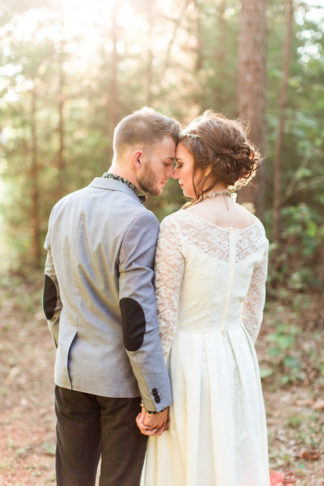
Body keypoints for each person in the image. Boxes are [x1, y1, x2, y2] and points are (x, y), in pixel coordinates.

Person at [42, 107, 180, 486]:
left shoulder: (63, 206)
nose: (171, 172)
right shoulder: (139, 219)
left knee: (72, 479)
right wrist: (155, 397)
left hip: (69, 375)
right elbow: (137, 318)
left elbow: (50, 299)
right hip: (120, 383)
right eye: (167, 162)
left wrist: (69, 348)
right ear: (139, 157)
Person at [137, 111, 271, 485]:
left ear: (208, 164)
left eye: (181, 164)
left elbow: (164, 315)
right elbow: (252, 312)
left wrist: (155, 397)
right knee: (232, 451)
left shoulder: (178, 226)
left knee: (188, 460)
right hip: (237, 355)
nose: (175, 173)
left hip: (187, 358)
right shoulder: (255, 228)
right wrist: (233, 354)